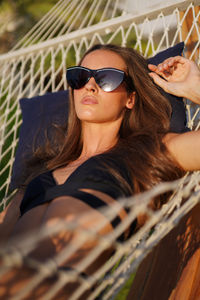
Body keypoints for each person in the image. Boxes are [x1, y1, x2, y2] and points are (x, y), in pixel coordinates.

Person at [0, 45, 199, 299]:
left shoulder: (148, 153)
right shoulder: (42, 172)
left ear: (130, 99)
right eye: (80, 77)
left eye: (107, 78)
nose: (90, 86)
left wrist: (196, 88)